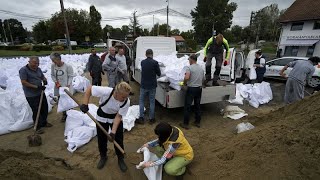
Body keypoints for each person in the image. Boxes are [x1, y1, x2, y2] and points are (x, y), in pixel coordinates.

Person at [79, 82, 131, 172]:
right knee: (102, 138)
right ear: (116, 92)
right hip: (102, 116)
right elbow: (89, 89)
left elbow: (118, 116)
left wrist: (113, 132)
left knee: (118, 139)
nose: (125, 99)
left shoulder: (126, 101)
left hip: (115, 117)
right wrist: (85, 104)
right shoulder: (107, 92)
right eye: (123, 97)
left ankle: (120, 158)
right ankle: (103, 156)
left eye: (126, 96)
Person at [19, 56, 52, 134]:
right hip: (31, 95)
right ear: (29, 62)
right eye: (34, 63)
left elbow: (42, 76)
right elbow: (24, 82)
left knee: (44, 108)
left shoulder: (38, 69)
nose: (36, 65)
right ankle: (37, 127)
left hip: (40, 93)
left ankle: (44, 122)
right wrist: (37, 87)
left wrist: (45, 80)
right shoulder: (23, 70)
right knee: (36, 110)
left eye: (37, 63)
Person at [136, 49, 161, 124]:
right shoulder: (155, 63)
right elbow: (159, 73)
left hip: (143, 85)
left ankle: (141, 117)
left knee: (141, 101)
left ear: (146, 54)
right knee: (152, 101)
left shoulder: (142, 62)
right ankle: (151, 118)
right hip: (152, 85)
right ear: (152, 54)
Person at [180, 54, 204, 130]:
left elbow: (186, 77)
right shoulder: (201, 68)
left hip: (191, 89)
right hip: (199, 89)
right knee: (197, 105)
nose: (189, 61)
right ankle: (197, 122)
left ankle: (185, 123)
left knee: (187, 106)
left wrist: (184, 83)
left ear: (191, 60)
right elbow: (203, 78)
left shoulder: (189, 68)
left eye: (189, 60)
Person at [50, 52, 74, 122]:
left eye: (54, 60)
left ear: (58, 59)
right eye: (52, 61)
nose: (53, 62)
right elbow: (52, 75)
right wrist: (56, 82)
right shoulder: (53, 66)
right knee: (61, 101)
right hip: (58, 87)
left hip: (66, 87)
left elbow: (70, 76)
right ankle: (64, 115)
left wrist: (68, 85)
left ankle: (70, 114)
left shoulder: (67, 66)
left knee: (68, 101)